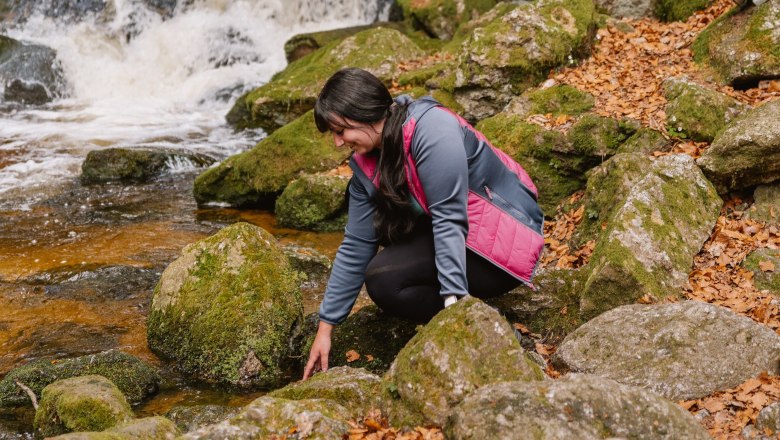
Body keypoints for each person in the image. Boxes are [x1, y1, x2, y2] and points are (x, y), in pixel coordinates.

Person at [302, 67, 544, 380]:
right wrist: (326, 328)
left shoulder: (431, 128)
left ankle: (481, 318)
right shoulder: (366, 162)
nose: (337, 142)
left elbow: (449, 219)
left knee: (384, 278)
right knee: (383, 280)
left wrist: (457, 315)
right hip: (459, 238)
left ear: (362, 114)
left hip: (503, 244)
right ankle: (471, 309)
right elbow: (357, 244)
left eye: (341, 131)